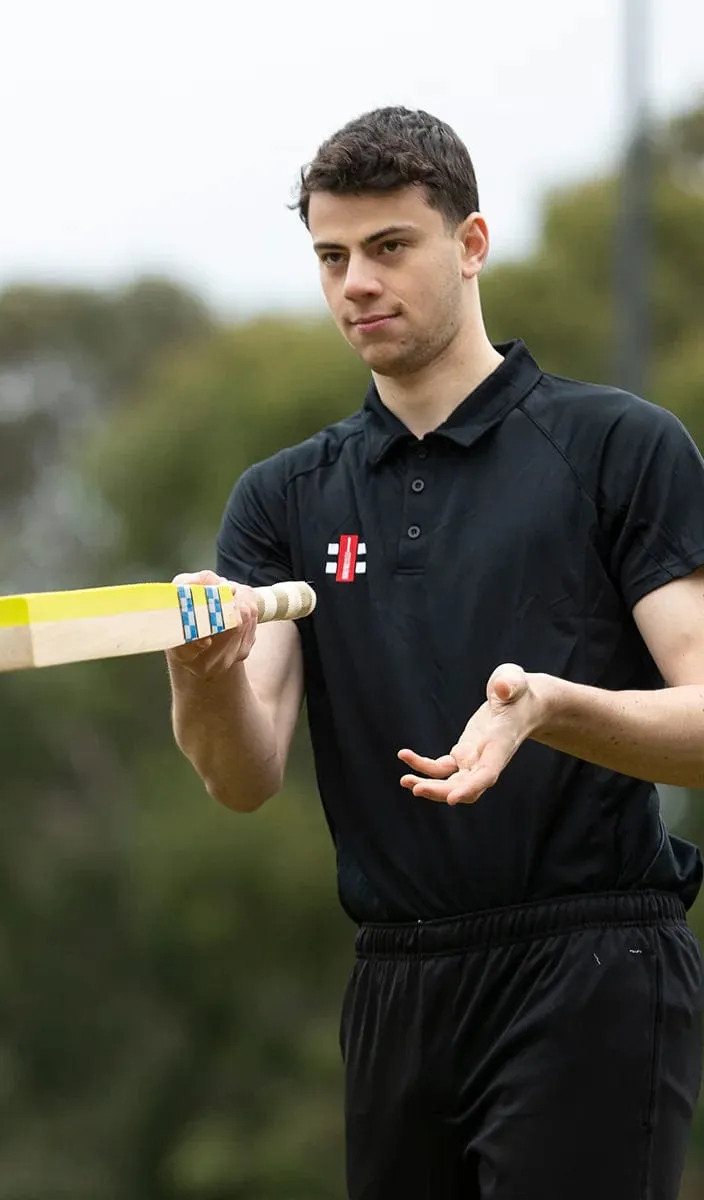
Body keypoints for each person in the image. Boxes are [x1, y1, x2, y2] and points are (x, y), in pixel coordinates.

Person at [166, 105, 704, 1200]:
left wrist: (551, 707)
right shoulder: (281, 501)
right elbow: (240, 776)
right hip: (397, 985)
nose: (356, 282)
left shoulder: (617, 448)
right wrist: (198, 679)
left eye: (389, 247)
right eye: (331, 256)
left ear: (470, 245)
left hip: (592, 963)